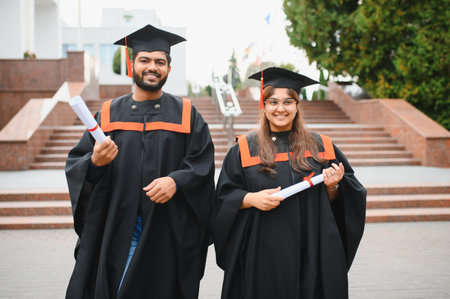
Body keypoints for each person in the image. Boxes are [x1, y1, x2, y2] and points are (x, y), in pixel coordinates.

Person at [65, 24, 215, 299]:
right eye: (145, 60)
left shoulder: (187, 116)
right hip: (117, 227)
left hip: (166, 229)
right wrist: (95, 162)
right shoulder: (108, 114)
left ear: (169, 68)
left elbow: (202, 165)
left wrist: (176, 181)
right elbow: (78, 163)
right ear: (131, 63)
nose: (152, 67)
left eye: (160, 62)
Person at [211, 67, 366, 299]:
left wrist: (333, 187)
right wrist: (252, 199)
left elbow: (348, 197)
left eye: (287, 102)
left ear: (297, 106)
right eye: (273, 102)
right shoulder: (244, 148)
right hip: (263, 252)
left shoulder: (321, 146)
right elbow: (223, 198)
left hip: (312, 249)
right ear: (264, 106)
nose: (280, 109)